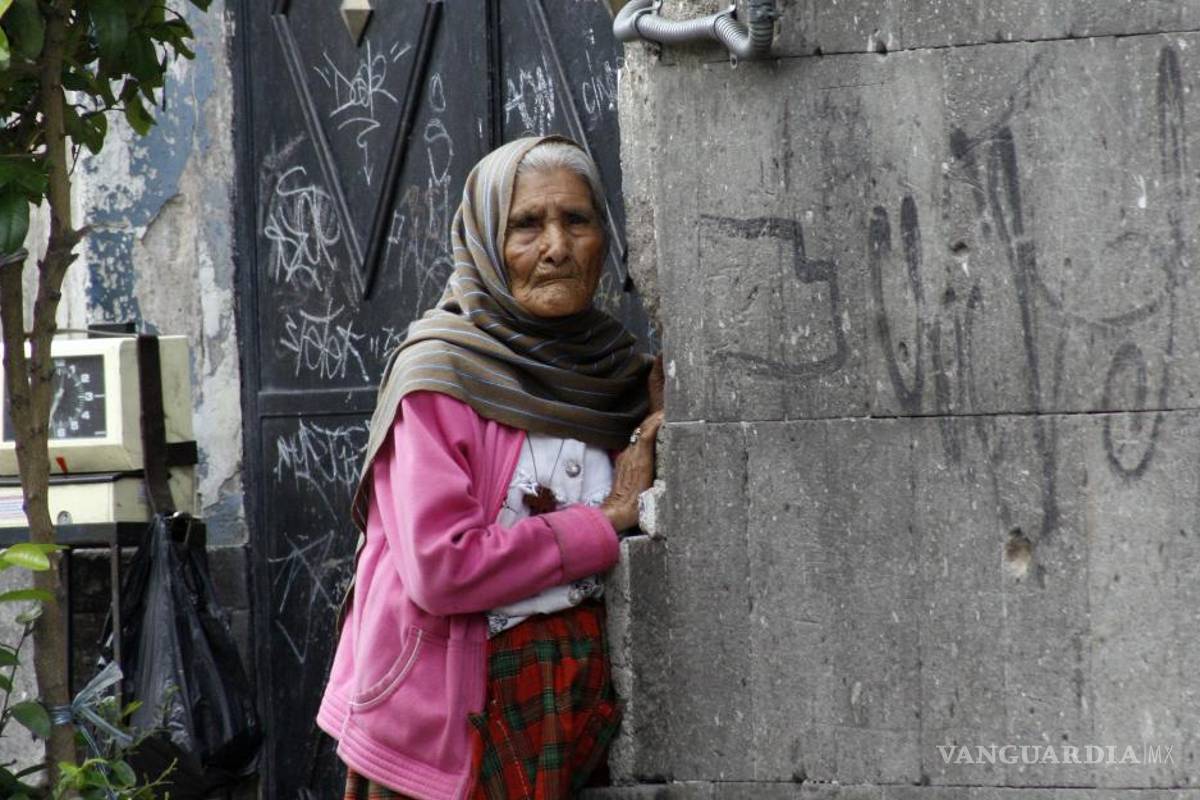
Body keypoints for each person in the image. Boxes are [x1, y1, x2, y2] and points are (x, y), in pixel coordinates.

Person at [316, 134, 664, 800]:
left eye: (577, 220)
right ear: (483, 242)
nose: (556, 247)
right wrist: (604, 521)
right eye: (526, 225)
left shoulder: (614, 374)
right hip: (453, 719)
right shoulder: (439, 378)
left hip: (578, 705)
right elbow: (442, 568)